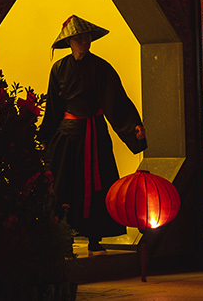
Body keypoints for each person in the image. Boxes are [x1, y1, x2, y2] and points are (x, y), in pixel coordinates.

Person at [38, 15, 147, 255]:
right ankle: (64, 235)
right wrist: (45, 137)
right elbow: (54, 107)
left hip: (95, 135)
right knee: (64, 185)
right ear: (70, 42)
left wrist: (133, 127)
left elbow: (116, 101)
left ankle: (95, 237)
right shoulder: (58, 68)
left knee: (101, 186)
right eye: (79, 38)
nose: (84, 42)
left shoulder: (101, 67)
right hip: (68, 136)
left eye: (87, 37)